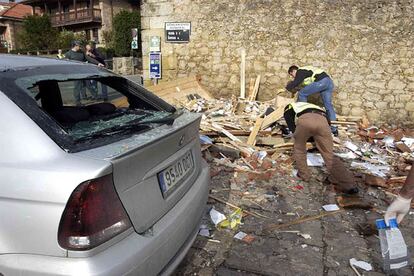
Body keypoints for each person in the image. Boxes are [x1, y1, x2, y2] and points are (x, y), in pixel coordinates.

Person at [283, 102, 358, 194]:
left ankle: (304, 175)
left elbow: (292, 126)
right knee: (329, 154)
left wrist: (305, 136)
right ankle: (349, 185)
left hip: (305, 121)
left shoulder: (289, 107)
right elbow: (328, 122)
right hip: (323, 122)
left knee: (299, 149)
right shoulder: (316, 106)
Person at [286, 65, 338, 136]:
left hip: (321, 81)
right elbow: (306, 85)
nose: (293, 77)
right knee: (328, 105)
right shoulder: (306, 72)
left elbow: (297, 82)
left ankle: (304, 121)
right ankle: (334, 129)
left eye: (292, 75)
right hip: (328, 82)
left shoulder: (300, 71)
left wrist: (286, 88)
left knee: (302, 94)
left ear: (294, 71)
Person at [65, 40, 103, 105]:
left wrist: (98, 63)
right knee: (77, 87)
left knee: (89, 85)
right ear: (75, 46)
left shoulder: (81, 52)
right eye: (79, 46)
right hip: (75, 73)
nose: (80, 47)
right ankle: (77, 102)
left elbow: (89, 59)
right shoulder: (68, 54)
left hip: (83, 72)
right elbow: (65, 64)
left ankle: (96, 97)